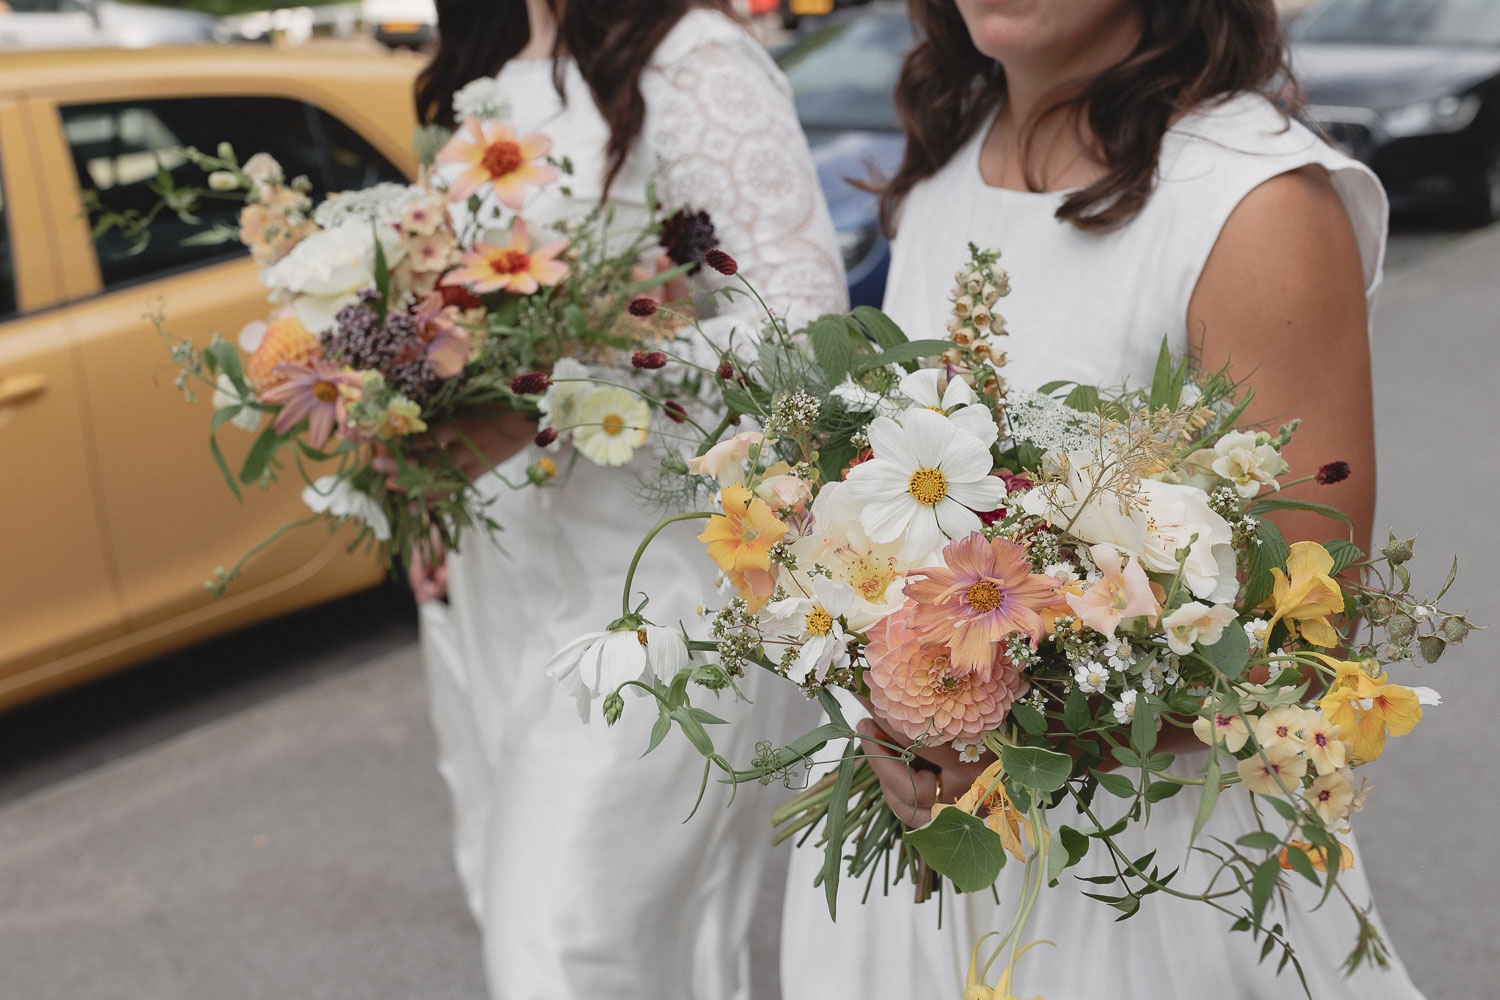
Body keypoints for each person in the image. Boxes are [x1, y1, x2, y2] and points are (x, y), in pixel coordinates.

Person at [780, 1, 1425, 997]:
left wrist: (1003, 738)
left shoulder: (1255, 204)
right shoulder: (949, 164)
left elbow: (1308, 630)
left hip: (1147, 879)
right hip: (917, 866)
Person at [409, 2, 845, 997]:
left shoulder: (694, 56)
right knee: (530, 913)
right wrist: (412, 478)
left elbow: (798, 333)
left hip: (657, 591)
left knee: (567, 947)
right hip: (495, 585)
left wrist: (555, 393)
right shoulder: (479, 64)